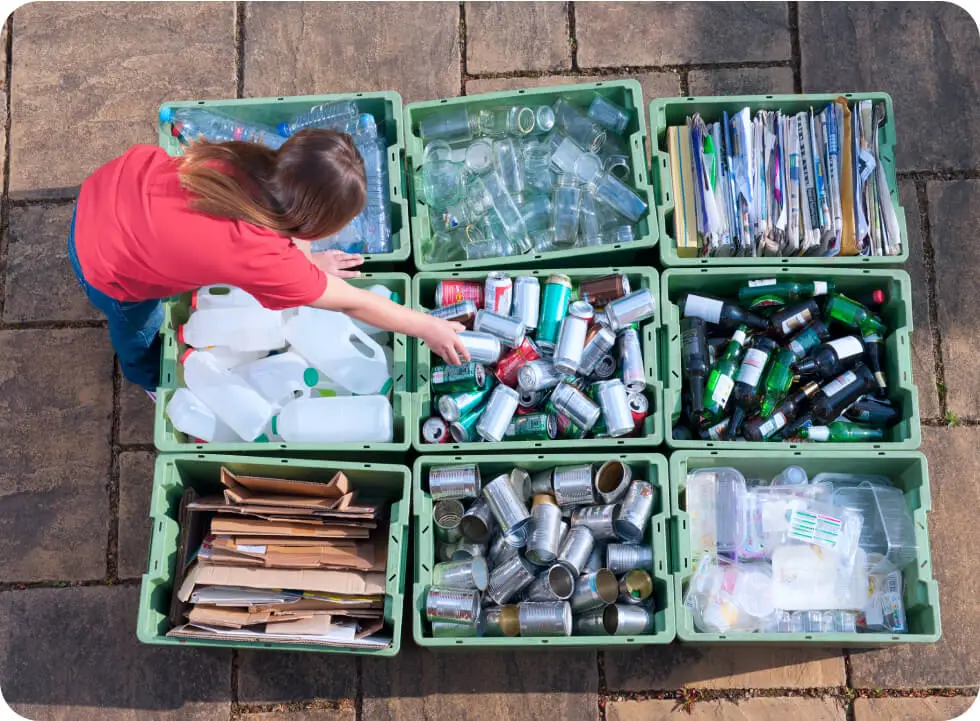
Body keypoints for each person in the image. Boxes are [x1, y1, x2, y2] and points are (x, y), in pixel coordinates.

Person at [68, 129, 469, 395]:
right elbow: (353, 302)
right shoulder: (260, 255)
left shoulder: (247, 160)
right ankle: (147, 377)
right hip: (104, 262)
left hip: (108, 187)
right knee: (137, 329)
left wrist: (309, 265)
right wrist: (427, 326)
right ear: (314, 222)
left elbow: (268, 226)